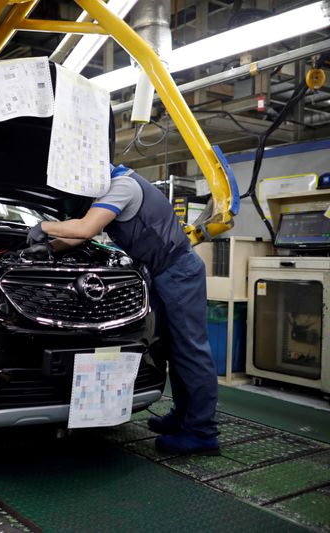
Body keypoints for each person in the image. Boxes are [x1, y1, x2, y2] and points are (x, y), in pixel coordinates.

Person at [27, 163, 219, 454]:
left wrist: (43, 227)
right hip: (159, 272)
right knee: (167, 347)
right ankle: (184, 416)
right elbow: (83, 234)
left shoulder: (123, 186)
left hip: (178, 271)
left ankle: (202, 432)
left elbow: (86, 227)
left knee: (190, 350)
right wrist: (49, 247)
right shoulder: (110, 187)